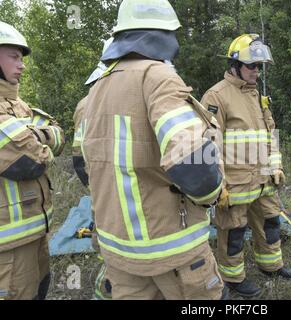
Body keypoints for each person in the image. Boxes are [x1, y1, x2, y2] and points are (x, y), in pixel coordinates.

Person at [81, 0, 225, 300]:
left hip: (119, 254)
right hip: (173, 250)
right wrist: (212, 196)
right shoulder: (157, 77)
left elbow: (85, 166)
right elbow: (194, 163)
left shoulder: (96, 91)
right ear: (165, 36)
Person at [201, 33, 291, 298]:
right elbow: (208, 146)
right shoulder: (216, 96)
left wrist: (276, 167)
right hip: (235, 184)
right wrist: (217, 185)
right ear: (235, 66)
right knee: (233, 232)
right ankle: (233, 279)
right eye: (251, 65)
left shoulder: (257, 95)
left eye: (259, 66)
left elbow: (270, 136)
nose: (257, 71)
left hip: (265, 180)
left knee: (270, 223)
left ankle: (271, 266)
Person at [0, 21, 65, 300]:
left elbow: (59, 137)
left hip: (36, 232)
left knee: (39, 290)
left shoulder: (19, 105)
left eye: (21, 58)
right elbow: (32, 160)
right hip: (8, 246)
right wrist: (41, 138)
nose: (22, 65)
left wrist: (36, 135)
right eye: (14, 56)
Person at [72, 37, 114, 300]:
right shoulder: (88, 105)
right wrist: (100, 187)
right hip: (108, 188)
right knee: (112, 253)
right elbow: (80, 158)